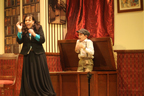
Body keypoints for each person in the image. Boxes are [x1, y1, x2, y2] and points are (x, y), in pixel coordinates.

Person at [16, 14, 56, 96]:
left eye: (29, 20)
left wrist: (34, 34)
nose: (27, 22)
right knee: (29, 75)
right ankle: (30, 93)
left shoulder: (38, 28)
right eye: (26, 20)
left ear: (33, 21)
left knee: (39, 74)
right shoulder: (23, 30)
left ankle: (42, 92)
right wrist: (19, 31)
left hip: (38, 55)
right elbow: (19, 41)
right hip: (28, 55)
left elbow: (42, 40)